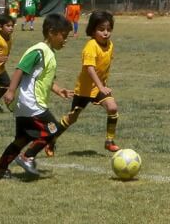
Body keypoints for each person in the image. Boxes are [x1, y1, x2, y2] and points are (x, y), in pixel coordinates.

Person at [0, 14, 73, 178]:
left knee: (22, 139)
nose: (65, 40)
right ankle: (27, 157)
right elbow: (20, 69)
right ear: (51, 32)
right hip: (32, 103)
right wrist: (11, 90)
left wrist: (59, 90)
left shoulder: (49, 53)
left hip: (27, 105)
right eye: (63, 35)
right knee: (53, 130)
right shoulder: (39, 50)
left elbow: (44, 80)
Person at [49, 10, 121, 156]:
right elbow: (90, 69)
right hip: (84, 90)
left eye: (108, 29)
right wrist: (100, 85)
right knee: (72, 118)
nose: (105, 33)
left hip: (100, 89)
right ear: (93, 31)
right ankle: (51, 139)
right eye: (101, 30)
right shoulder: (91, 46)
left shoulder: (110, 45)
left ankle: (109, 141)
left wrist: (102, 86)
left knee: (112, 108)